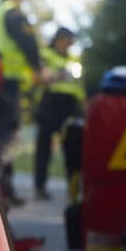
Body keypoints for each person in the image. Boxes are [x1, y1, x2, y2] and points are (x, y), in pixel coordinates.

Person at [0, 0, 43, 206]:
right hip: (9, 81)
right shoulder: (14, 13)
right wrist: (38, 67)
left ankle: (3, 191)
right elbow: (27, 41)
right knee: (10, 136)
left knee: (1, 133)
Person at [33, 27, 85, 201]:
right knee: (44, 148)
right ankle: (40, 187)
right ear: (60, 39)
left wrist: (83, 104)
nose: (71, 44)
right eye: (69, 40)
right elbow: (44, 78)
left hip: (70, 105)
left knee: (73, 148)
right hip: (50, 102)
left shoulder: (74, 58)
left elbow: (79, 84)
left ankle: (74, 188)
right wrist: (61, 74)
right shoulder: (46, 54)